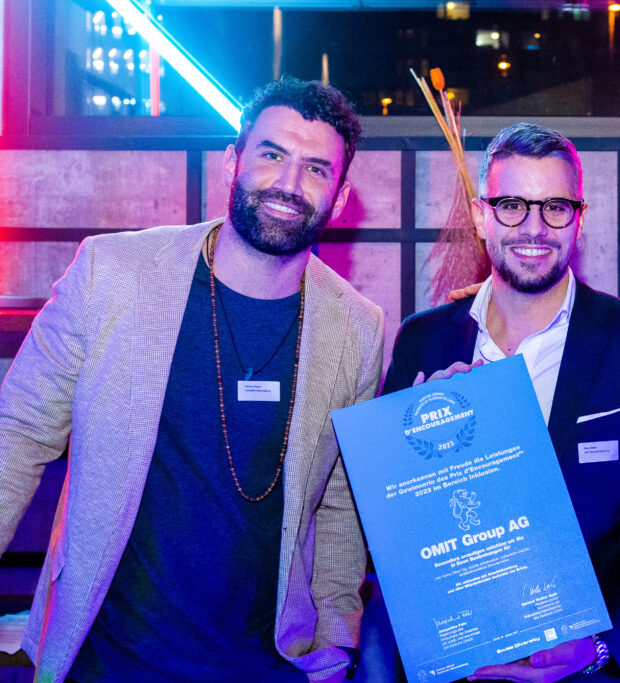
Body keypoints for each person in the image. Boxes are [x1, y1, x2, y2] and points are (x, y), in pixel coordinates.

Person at [0, 77, 383, 682]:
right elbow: (17, 433)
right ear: (232, 163)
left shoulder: (359, 328)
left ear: (339, 199)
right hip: (106, 662)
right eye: (271, 154)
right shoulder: (112, 273)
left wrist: (336, 644)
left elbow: (339, 502)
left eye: (316, 169)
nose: (288, 183)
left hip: (266, 668)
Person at [382, 122, 620, 682]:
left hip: (592, 669)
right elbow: (389, 523)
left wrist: (597, 644)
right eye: (511, 206)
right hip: (458, 663)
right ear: (480, 216)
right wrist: (415, 450)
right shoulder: (422, 343)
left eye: (555, 206)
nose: (534, 227)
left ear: (580, 218)